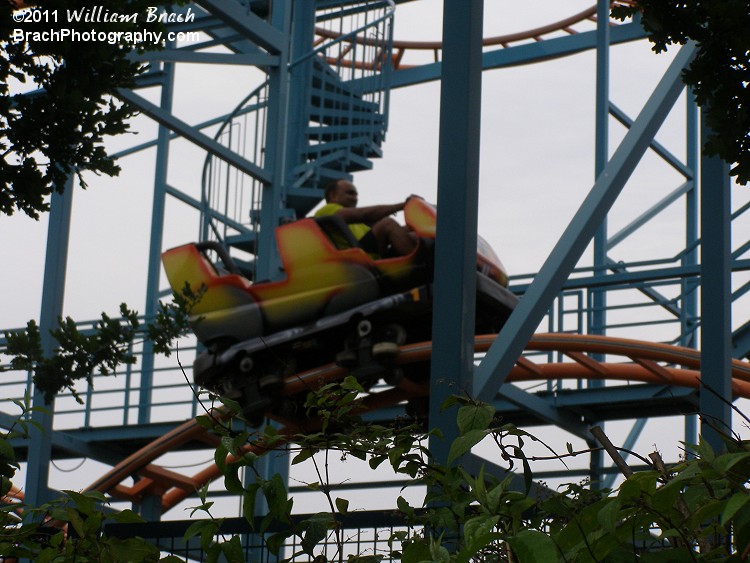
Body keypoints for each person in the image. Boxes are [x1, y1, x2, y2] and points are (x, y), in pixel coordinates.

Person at [314, 179, 417, 257]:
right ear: (333, 196)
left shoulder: (358, 222)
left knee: (412, 230)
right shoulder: (328, 210)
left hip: (370, 253)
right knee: (387, 224)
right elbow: (364, 214)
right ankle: (424, 267)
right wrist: (402, 205)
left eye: (356, 195)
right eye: (350, 193)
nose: (355, 198)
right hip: (354, 260)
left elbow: (370, 218)